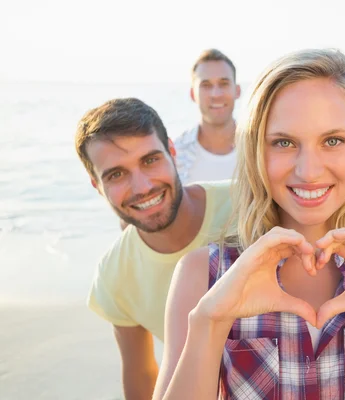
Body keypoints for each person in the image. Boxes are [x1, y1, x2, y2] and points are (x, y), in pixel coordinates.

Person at [153, 50, 345, 399]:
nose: (308, 171)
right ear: (255, 153)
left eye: (332, 141)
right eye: (284, 142)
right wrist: (211, 325)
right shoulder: (201, 274)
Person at [74, 98, 233, 399]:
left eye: (150, 160)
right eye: (116, 174)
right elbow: (141, 373)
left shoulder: (247, 205)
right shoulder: (114, 275)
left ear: (172, 152)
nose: (142, 186)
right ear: (96, 184)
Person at [174, 48, 240, 184]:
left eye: (224, 83)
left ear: (237, 91)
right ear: (193, 94)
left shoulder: (260, 148)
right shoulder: (176, 155)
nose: (216, 94)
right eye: (206, 85)